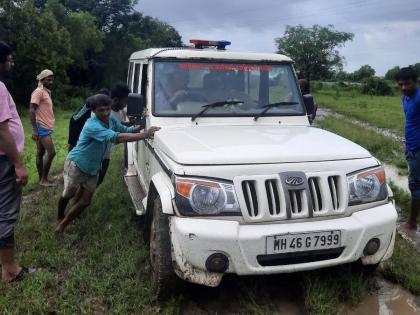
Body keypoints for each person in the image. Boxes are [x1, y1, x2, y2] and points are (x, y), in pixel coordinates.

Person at [55, 94, 160, 233]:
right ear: (93, 111)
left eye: (107, 109)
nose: (105, 113)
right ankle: (60, 217)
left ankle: (63, 224)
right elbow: (117, 137)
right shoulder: (92, 125)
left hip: (93, 168)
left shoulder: (110, 119)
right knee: (68, 194)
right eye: (101, 110)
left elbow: (125, 130)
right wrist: (144, 135)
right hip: (76, 164)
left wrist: (142, 124)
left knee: (86, 201)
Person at [0, 41, 29, 282]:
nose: (12, 63)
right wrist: (18, 164)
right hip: (3, 161)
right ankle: (9, 270)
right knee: (6, 213)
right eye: (9, 59)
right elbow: (2, 131)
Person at [395, 67, 420, 231]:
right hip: (410, 146)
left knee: (415, 185)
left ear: (416, 82)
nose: (404, 88)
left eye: (408, 84)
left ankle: (412, 223)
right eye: (401, 84)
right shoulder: (405, 98)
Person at [29, 69, 56, 187]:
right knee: (51, 153)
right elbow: (31, 109)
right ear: (42, 79)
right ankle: (44, 179)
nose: (51, 81)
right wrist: (34, 129)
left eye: (52, 79)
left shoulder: (46, 92)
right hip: (41, 126)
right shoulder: (38, 91)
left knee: (40, 153)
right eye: (48, 79)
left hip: (46, 126)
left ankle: (42, 179)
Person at [67, 88, 110, 152]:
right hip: (76, 121)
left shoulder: (96, 101)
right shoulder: (92, 100)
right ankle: (69, 158)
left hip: (84, 122)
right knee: (73, 143)